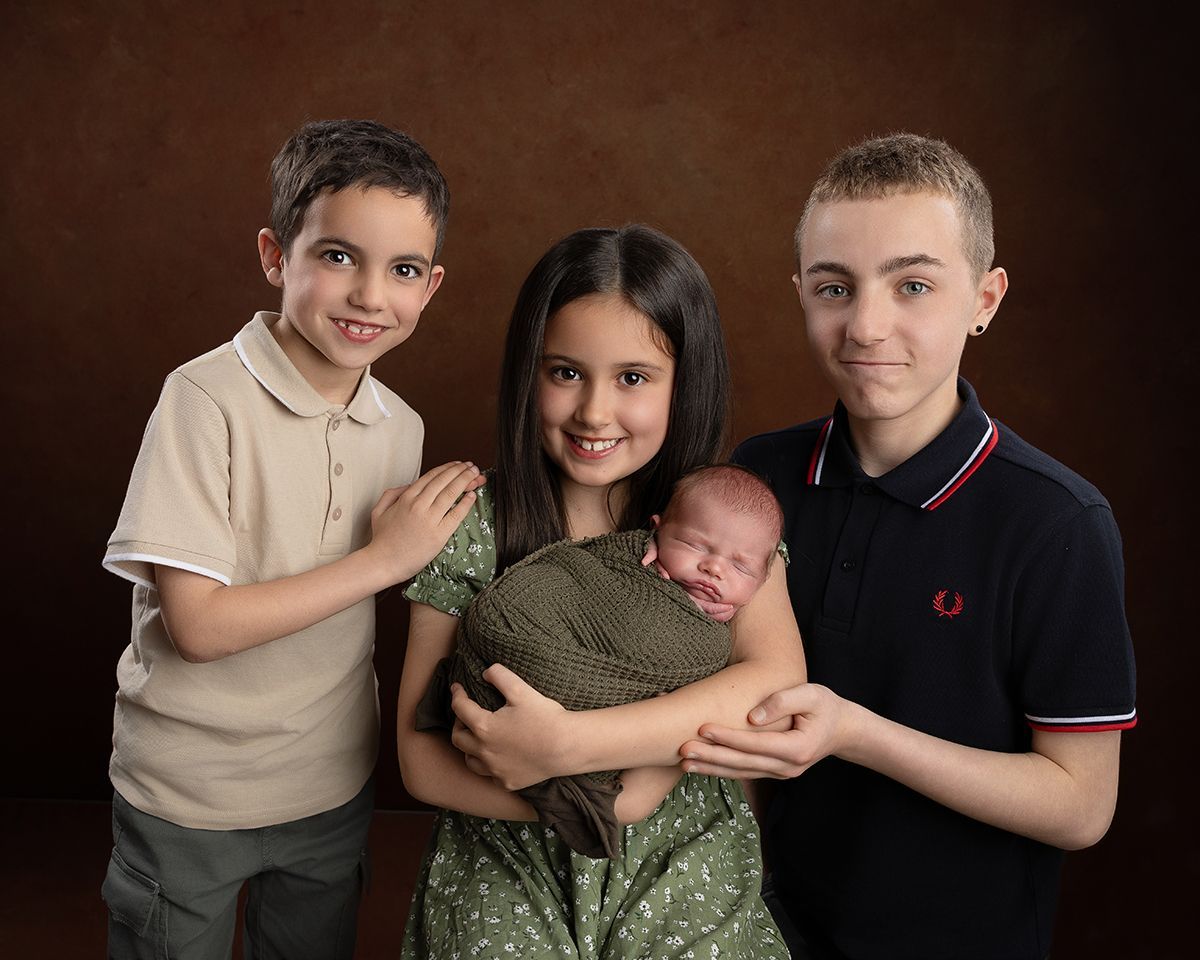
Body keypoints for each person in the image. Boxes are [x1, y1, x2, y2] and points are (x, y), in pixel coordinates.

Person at [677, 134, 1138, 960]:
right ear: (801, 294)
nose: (866, 324)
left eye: (913, 285)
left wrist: (856, 733)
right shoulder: (757, 478)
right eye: (834, 287)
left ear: (985, 299)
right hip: (766, 931)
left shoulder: (1058, 523)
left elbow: (1081, 807)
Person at [100, 119, 485, 960]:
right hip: (187, 793)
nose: (370, 296)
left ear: (431, 286)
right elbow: (197, 627)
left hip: (327, 788)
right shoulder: (203, 399)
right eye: (339, 256)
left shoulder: (401, 427)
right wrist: (383, 561)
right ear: (277, 255)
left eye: (404, 270)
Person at [396, 225, 805, 958]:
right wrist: (569, 796)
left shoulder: (725, 527)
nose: (593, 412)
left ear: (687, 384)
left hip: (679, 840)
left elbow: (773, 679)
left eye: (634, 378)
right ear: (528, 372)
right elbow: (419, 758)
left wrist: (597, 763)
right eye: (565, 373)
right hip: (504, 847)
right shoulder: (472, 527)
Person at [416, 463, 784, 859]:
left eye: (741, 566)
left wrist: (581, 760)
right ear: (657, 530)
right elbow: (421, 769)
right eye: (696, 546)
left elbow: (771, 691)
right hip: (501, 833)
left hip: (674, 843)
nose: (714, 568)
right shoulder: (476, 517)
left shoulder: (749, 535)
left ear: (763, 577)